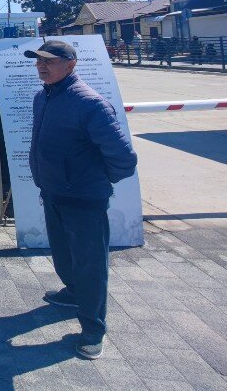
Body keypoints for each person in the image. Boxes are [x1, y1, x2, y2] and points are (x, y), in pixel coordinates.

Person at [24, 40, 138, 361]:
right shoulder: (43, 97)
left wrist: (91, 181)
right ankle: (73, 292)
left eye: (49, 61)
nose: (41, 66)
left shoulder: (90, 104)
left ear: (71, 65)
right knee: (63, 255)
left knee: (90, 265)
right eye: (38, 61)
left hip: (84, 199)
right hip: (53, 191)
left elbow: (123, 159)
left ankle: (92, 329)